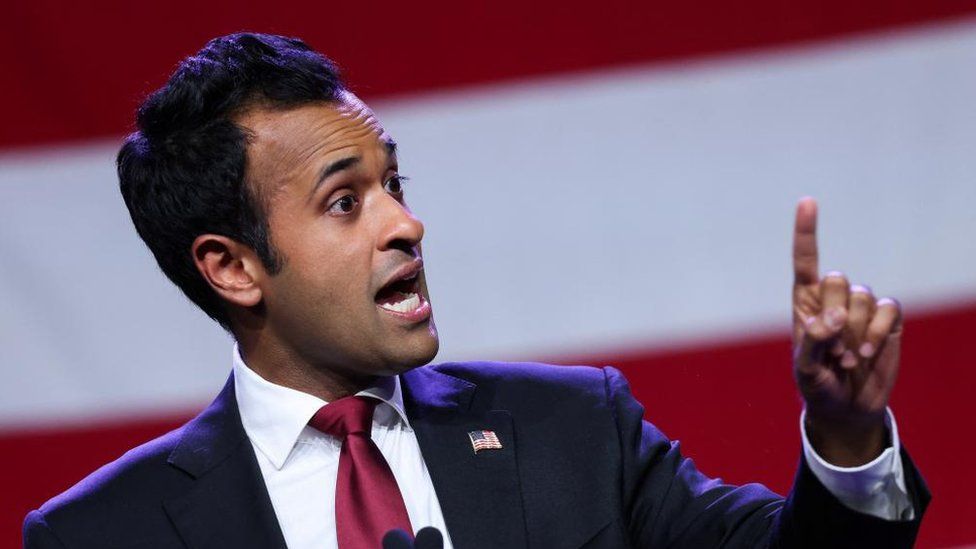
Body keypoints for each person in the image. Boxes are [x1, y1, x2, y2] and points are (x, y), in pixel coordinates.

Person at [23, 33, 928, 548]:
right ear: (232, 267)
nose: (404, 225)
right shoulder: (105, 533)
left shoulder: (576, 429)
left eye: (394, 186)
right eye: (345, 202)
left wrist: (847, 433)